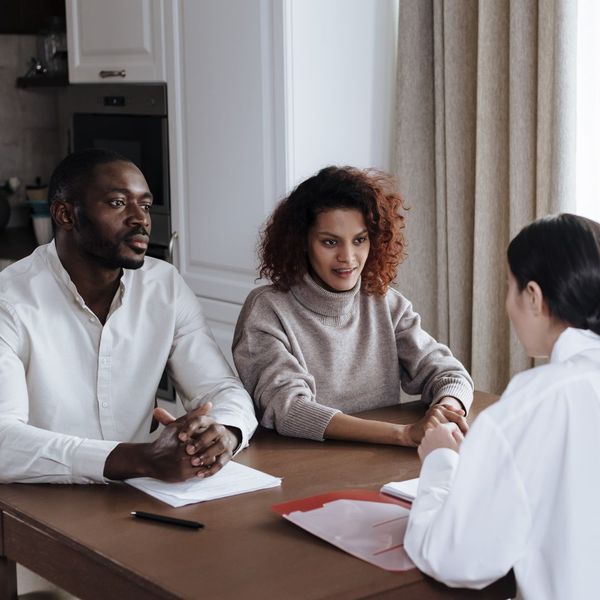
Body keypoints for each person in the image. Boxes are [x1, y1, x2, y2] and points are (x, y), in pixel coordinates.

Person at [0, 148, 258, 484]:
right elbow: (4, 441)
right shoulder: (9, 300)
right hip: (39, 501)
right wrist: (140, 458)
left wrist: (223, 432)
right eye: (118, 203)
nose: (141, 219)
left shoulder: (164, 286)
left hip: (142, 493)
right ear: (65, 214)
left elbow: (221, 388)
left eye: (146, 205)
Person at [404, 213, 600, 599]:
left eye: (508, 287)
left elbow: (456, 558)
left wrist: (441, 462)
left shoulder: (533, 403)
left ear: (533, 296)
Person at [232, 166, 473, 446]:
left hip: (379, 462)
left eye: (359, 240)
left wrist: (446, 409)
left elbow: (449, 373)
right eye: (330, 242)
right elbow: (289, 409)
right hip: (299, 466)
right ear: (302, 243)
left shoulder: (386, 303)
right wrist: (403, 434)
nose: (348, 257)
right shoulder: (267, 310)